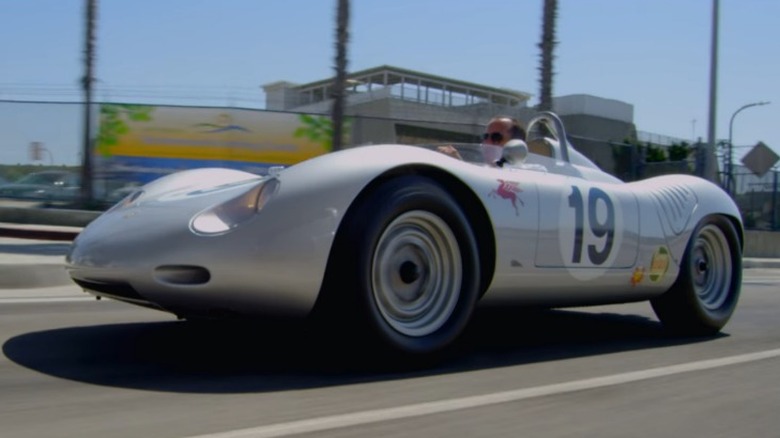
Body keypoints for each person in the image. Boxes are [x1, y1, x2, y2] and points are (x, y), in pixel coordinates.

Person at [437, 116, 527, 163]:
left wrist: (458, 164)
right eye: (485, 136)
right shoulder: (478, 167)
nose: (487, 142)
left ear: (517, 146)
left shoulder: (525, 176)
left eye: (496, 137)